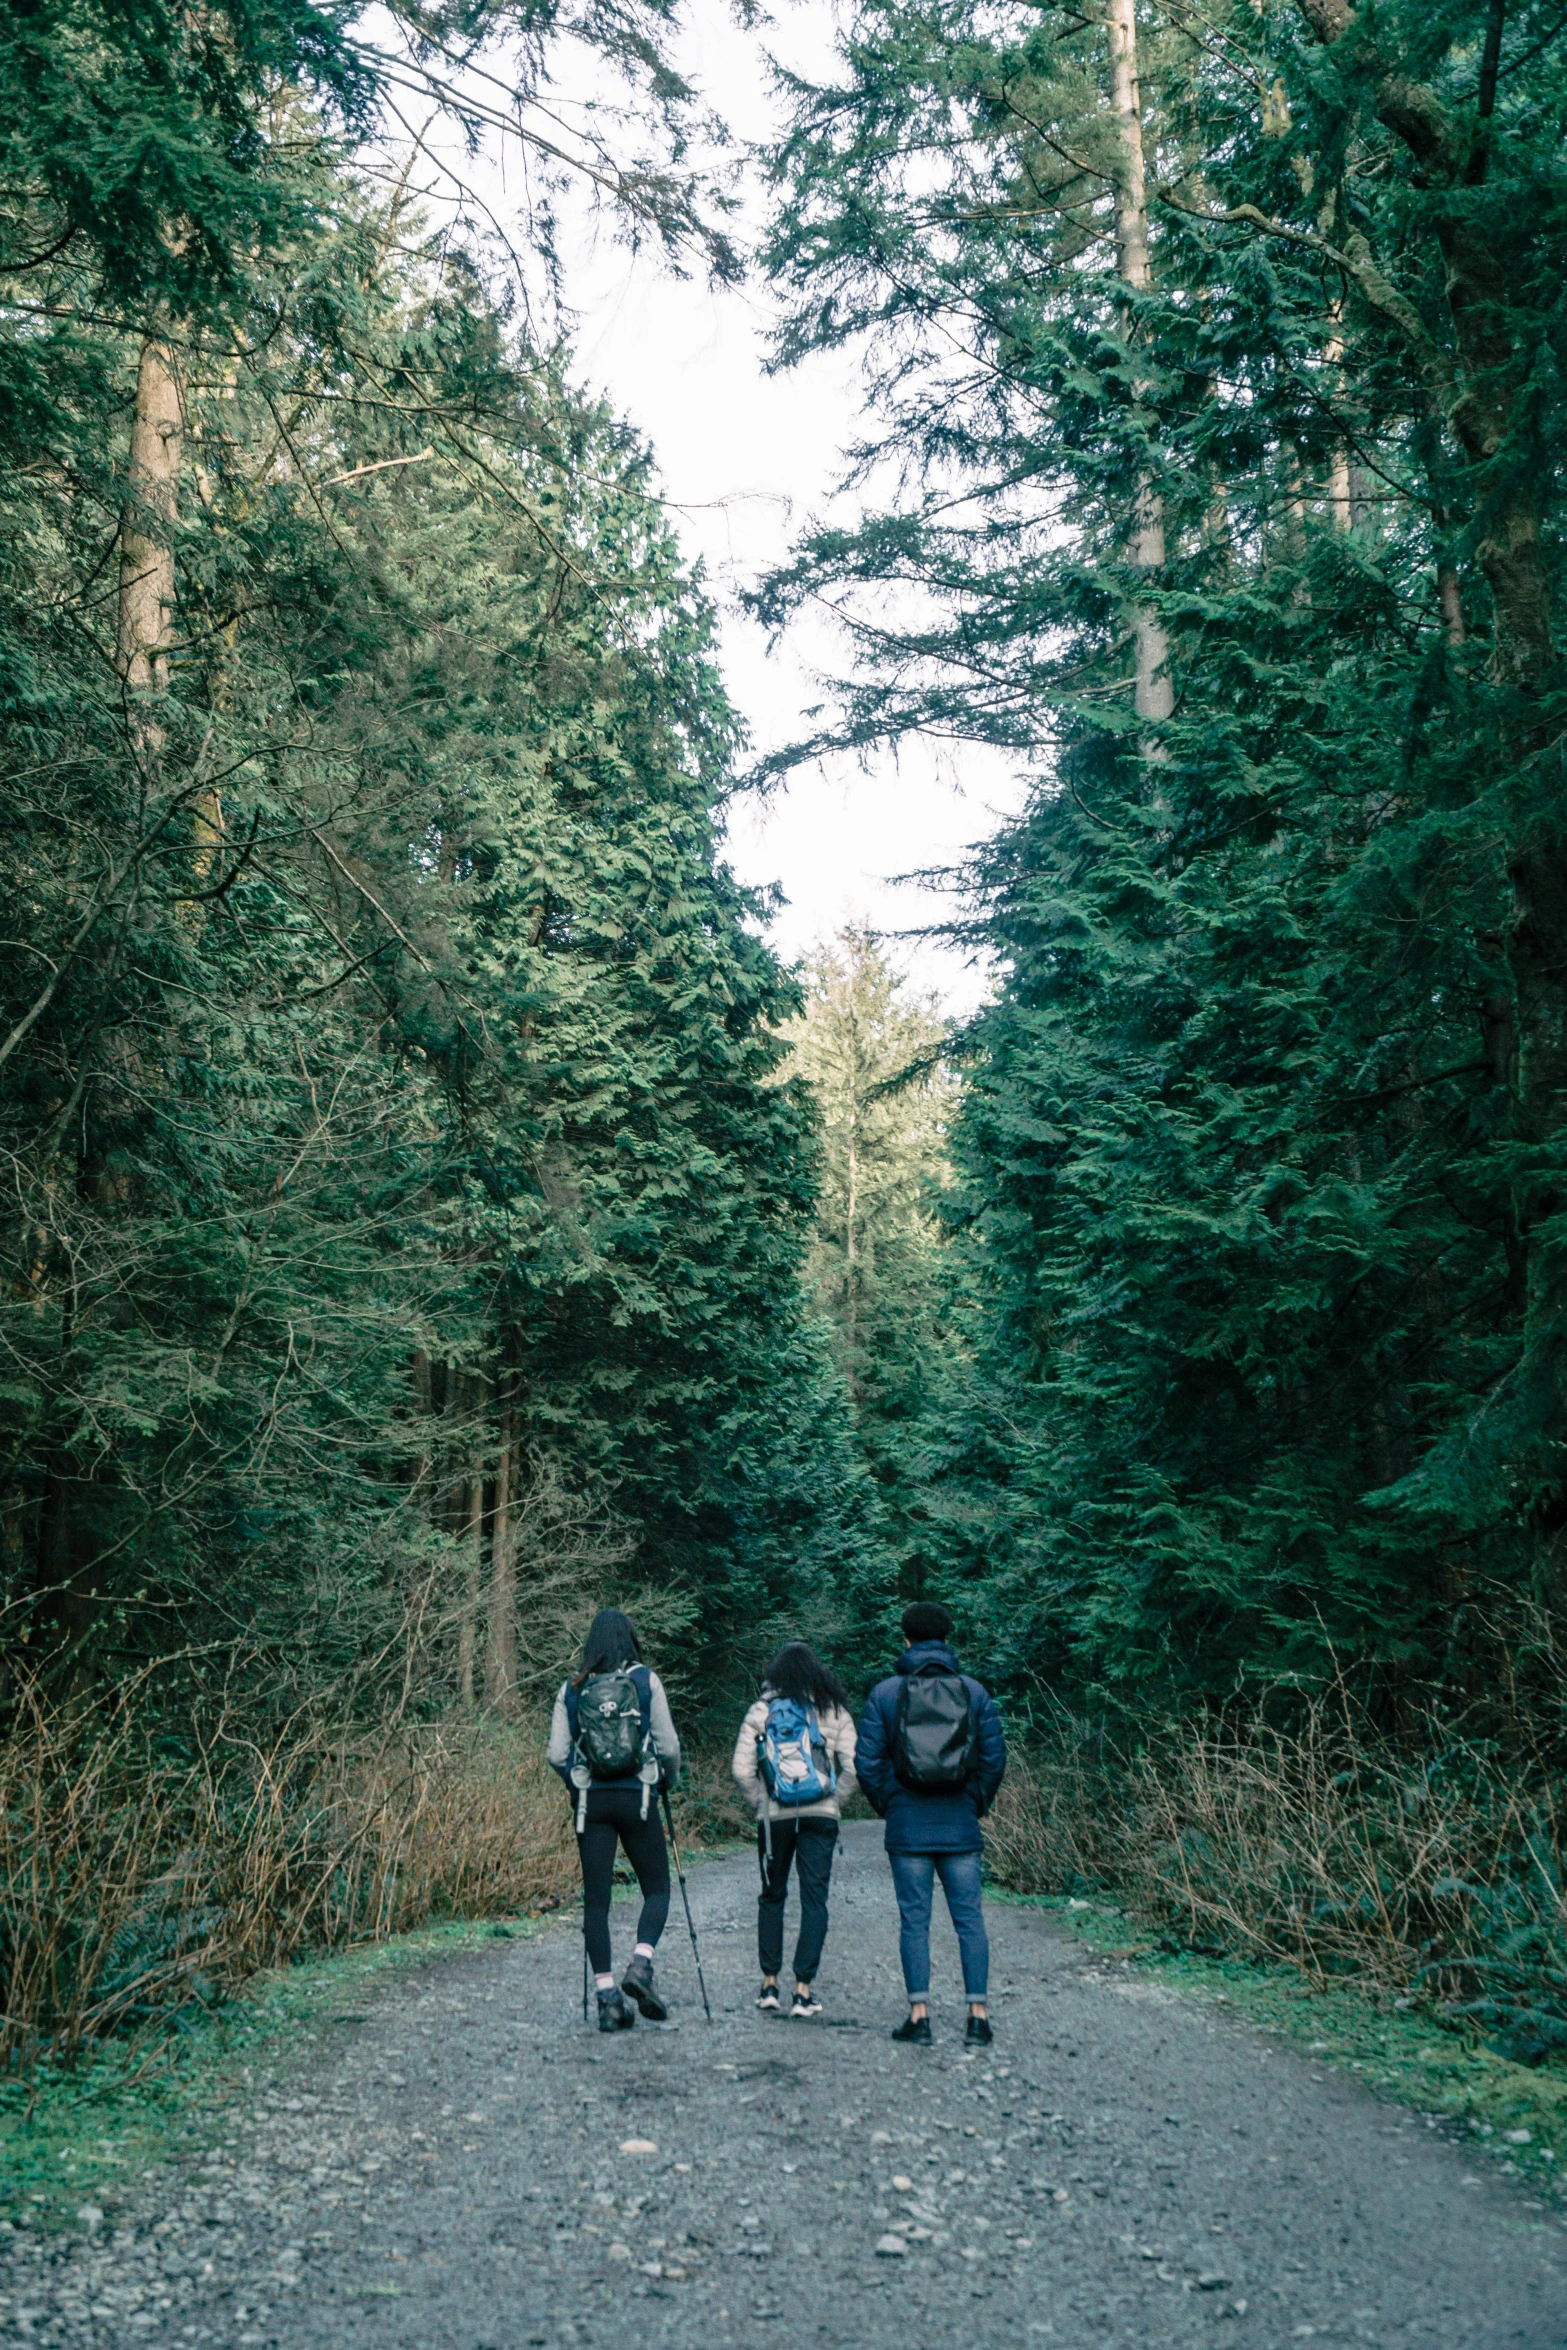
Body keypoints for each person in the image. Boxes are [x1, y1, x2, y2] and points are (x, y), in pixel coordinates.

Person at [855, 1600, 1006, 2046]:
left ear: (905, 1639)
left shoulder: (884, 1693)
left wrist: (892, 1802)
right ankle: (977, 2017)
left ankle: (919, 2018)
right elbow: (994, 1758)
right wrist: (973, 1801)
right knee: (970, 1919)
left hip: (908, 1828)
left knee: (914, 1921)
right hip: (960, 1823)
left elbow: (867, 1762)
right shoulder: (974, 1692)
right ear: (947, 1638)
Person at [548, 1607, 681, 2031]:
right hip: (638, 1797)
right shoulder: (645, 1681)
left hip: (593, 1804)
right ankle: (640, 1966)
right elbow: (669, 1746)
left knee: (597, 1903)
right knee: (657, 1888)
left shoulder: (572, 1687)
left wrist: (578, 1781)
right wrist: (666, 1781)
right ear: (629, 1638)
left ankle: (607, 1998)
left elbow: (555, 1753)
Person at [731, 1642, 858, 2019]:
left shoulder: (761, 1711)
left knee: (773, 1895)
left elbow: (741, 1770)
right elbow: (855, 1767)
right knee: (814, 1900)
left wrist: (762, 1802)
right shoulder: (833, 1710)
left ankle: (770, 1984)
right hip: (821, 1815)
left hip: (775, 1819)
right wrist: (834, 1800)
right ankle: (803, 1991)